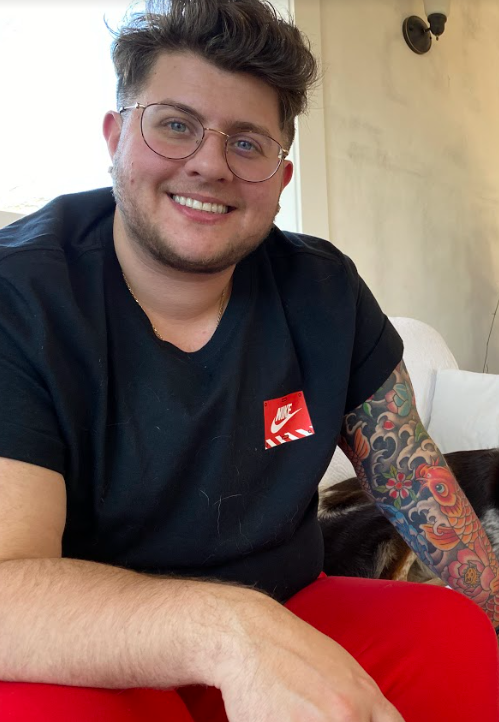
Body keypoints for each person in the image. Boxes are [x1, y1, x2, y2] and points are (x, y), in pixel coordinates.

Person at [0, 1, 498, 720]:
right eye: (174, 125)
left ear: (280, 175)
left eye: (246, 143)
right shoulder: (22, 297)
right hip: (90, 638)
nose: (208, 163)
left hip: (290, 600)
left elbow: (410, 475)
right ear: (114, 136)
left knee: (450, 633)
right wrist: (229, 634)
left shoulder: (322, 288)